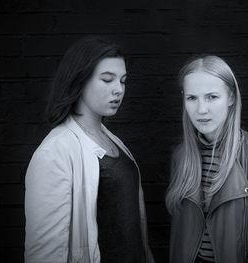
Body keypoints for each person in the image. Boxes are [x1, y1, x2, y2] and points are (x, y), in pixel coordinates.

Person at [24, 36, 155, 263]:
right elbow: (44, 254)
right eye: (107, 80)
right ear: (79, 81)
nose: (118, 90)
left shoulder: (114, 142)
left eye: (123, 81)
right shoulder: (54, 153)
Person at [166, 55, 248, 263]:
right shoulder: (181, 156)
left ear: (231, 98)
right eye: (192, 98)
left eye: (212, 97)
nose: (201, 110)